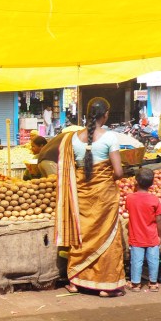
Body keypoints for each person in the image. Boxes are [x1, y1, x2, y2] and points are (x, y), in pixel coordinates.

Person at [56, 97, 127, 297]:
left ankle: (76, 282)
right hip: (104, 196)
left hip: (81, 194)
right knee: (107, 236)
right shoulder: (110, 137)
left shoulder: (71, 139)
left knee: (82, 234)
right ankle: (106, 285)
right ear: (106, 115)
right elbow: (118, 172)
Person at [125, 168, 161, 292]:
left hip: (136, 236)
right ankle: (153, 283)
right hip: (152, 236)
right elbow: (159, 220)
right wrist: (159, 235)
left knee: (136, 261)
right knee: (153, 260)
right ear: (152, 184)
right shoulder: (154, 199)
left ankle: (135, 284)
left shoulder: (130, 198)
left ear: (136, 182)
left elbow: (129, 210)